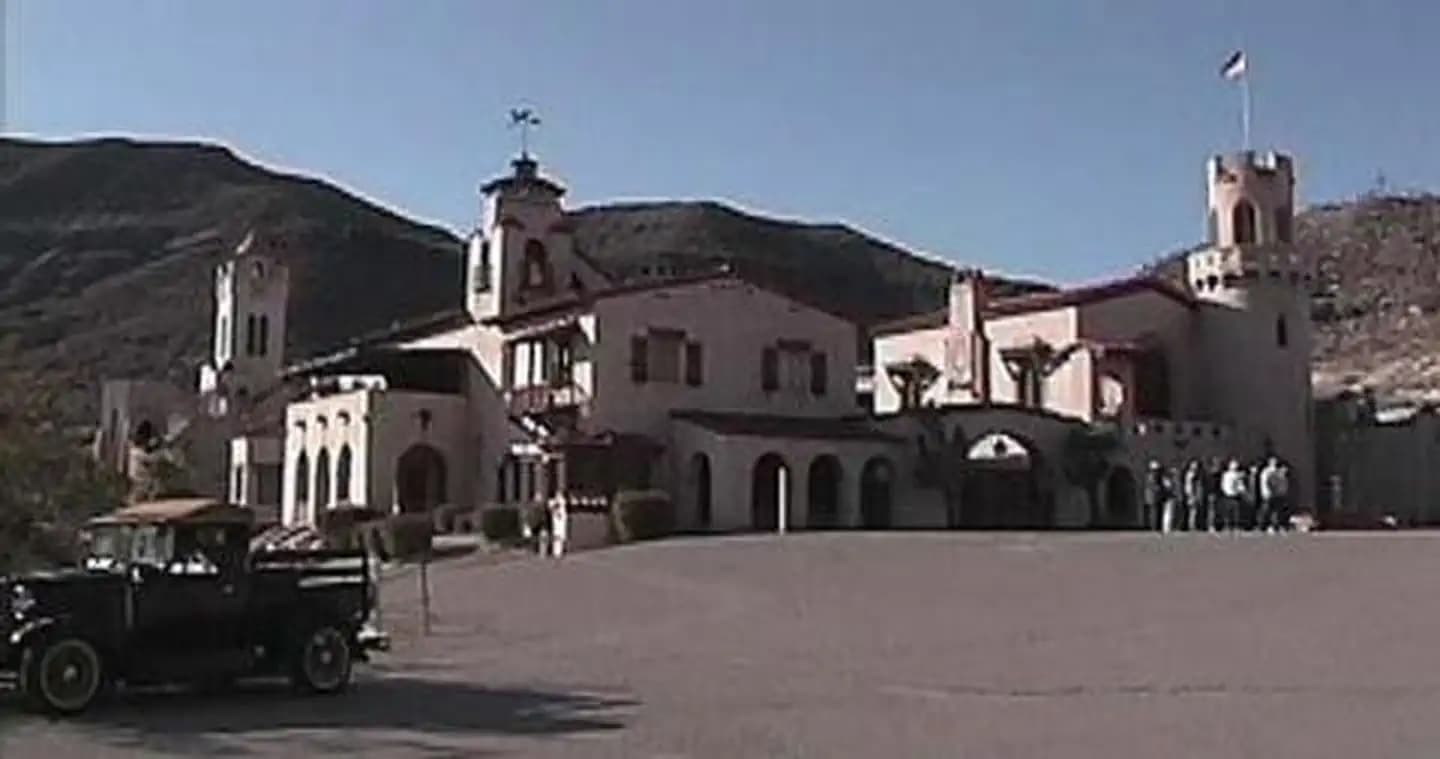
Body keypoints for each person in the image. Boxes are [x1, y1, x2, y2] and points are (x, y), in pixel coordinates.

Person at [1259, 457, 1290, 533]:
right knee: (1271, 511)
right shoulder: (1272, 474)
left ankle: (1277, 525)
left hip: (1281, 495)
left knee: (1279, 511)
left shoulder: (1283, 476)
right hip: (1273, 495)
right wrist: (1270, 491)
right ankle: (1270, 525)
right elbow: (1268, 483)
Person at [1219, 459, 1247, 532]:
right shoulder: (1226, 475)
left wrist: (1241, 490)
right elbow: (1224, 485)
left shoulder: (1238, 475)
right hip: (1228, 495)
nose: (1234, 466)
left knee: (1236, 512)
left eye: (1235, 465)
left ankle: (1236, 526)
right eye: (1232, 465)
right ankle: (1226, 526)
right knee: (1227, 512)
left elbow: (1240, 485)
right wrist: (1227, 492)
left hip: (1236, 496)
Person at [1183, 460, 1206, 532]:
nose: (1194, 466)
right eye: (1193, 464)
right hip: (1191, 494)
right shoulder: (1190, 474)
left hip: (1196, 494)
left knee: (1195, 511)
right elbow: (1189, 485)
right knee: (1193, 511)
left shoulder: (1198, 474)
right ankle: (1192, 526)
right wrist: (1190, 494)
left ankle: (1194, 525)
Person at [1143, 461, 1164, 532]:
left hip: (1153, 496)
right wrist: (1159, 488)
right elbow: (1152, 485)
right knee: (1153, 512)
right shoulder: (1151, 476)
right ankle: (1154, 527)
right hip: (1153, 496)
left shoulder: (1151, 476)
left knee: (1154, 512)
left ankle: (1154, 527)